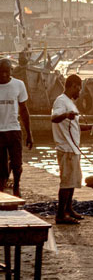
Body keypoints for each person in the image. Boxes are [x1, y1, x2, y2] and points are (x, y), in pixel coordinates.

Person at [51, 75, 93, 224]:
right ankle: (60, 214)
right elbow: (54, 118)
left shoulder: (70, 103)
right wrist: (66, 115)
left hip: (73, 148)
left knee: (73, 180)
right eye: (79, 88)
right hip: (66, 148)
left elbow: (76, 127)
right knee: (66, 182)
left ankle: (69, 209)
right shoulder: (61, 101)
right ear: (73, 86)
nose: (80, 91)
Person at [0, 59, 32, 197]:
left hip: (14, 129)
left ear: (11, 71)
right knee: (1, 166)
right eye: (1, 72)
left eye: (7, 72)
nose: (4, 75)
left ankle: (16, 187)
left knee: (17, 164)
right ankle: (1, 189)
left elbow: (24, 110)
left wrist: (29, 133)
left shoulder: (19, 85)